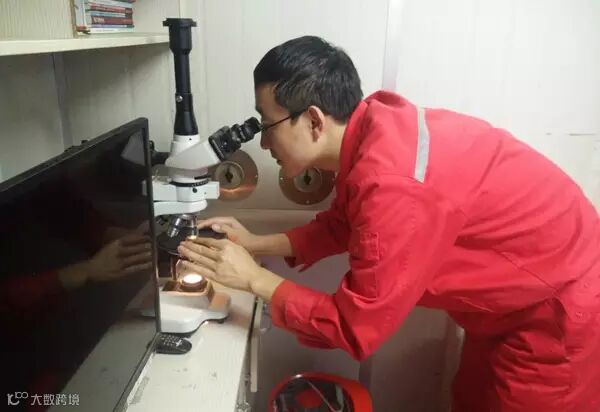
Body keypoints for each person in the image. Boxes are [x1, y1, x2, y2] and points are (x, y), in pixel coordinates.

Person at [177, 36, 600, 411]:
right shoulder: (373, 127)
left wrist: (254, 280)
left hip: (555, 314)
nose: (265, 142)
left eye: (268, 125)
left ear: (314, 120)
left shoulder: (393, 186)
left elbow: (355, 328)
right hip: (508, 303)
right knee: (472, 399)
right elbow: (345, 225)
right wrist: (255, 243)